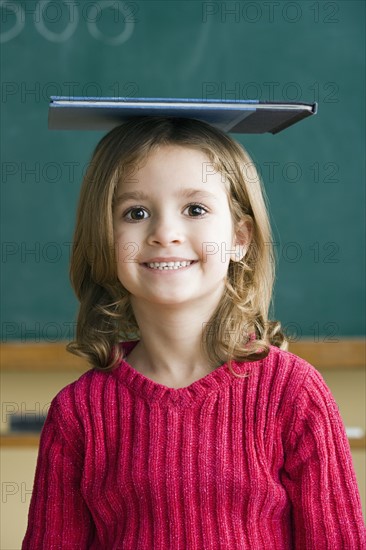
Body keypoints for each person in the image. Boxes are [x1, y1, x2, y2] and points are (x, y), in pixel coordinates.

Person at [22, 117, 365, 549]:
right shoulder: (79, 413)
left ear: (240, 237)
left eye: (195, 210)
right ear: (105, 240)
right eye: (136, 213)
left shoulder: (295, 394)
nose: (165, 233)